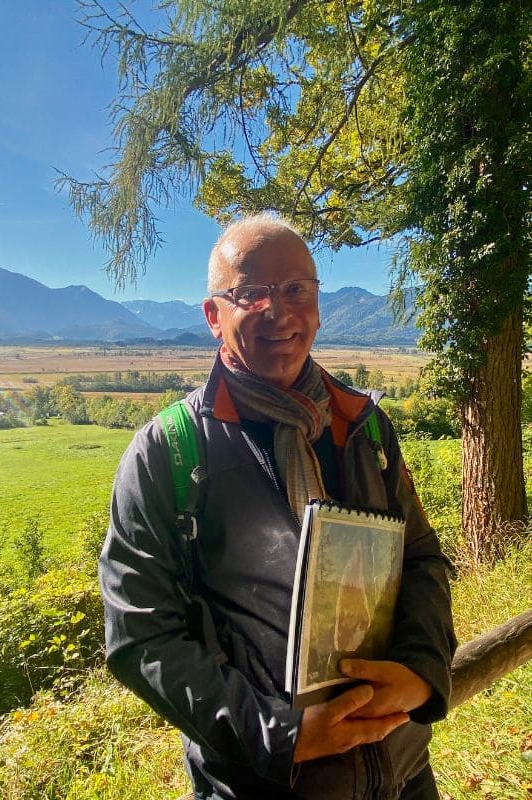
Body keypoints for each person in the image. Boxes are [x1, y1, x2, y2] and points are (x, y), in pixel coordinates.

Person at [99, 214, 457, 799]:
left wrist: (420, 673)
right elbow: (142, 636)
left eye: (296, 290)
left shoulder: (362, 427)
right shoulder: (168, 453)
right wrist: (282, 737)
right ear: (214, 316)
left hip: (401, 773)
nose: (278, 311)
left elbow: (419, 558)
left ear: (318, 302)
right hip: (261, 785)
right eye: (250, 293)